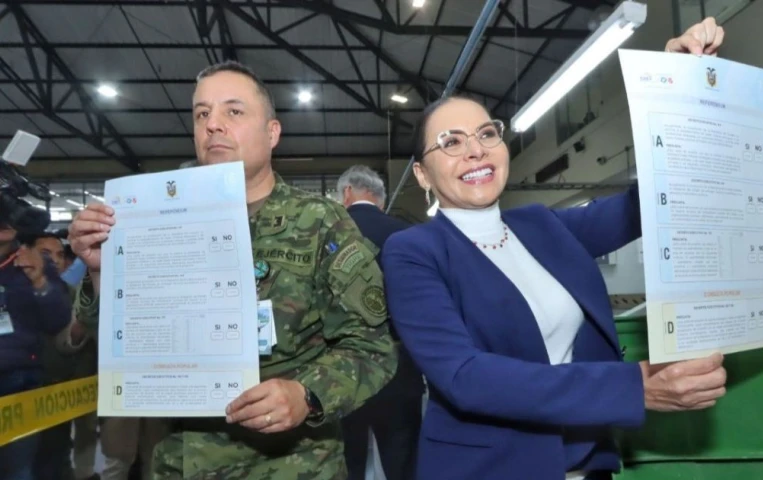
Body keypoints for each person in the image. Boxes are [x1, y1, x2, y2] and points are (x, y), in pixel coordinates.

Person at [381, 18, 727, 480]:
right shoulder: (414, 251)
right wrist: (632, 390)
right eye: (451, 143)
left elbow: (643, 208)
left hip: (587, 463)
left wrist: (674, 92)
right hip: (488, 468)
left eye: (487, 134)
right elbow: (466, 376)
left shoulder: (541, 225)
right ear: (422, 175)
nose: (476, 151)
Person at [67, 60, 398, 479]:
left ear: (272, 133)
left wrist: (307, 394)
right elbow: (115, 342)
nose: (213, 125)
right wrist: (101, 272)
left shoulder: (320, 222)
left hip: (289, 465)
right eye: (202, 113)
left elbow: (373, 348)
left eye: (233, 112)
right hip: (179, 463)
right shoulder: (158, 219)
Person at [336, 166, 425, 480]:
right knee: (402, 462)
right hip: (401, 367)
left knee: (348, 462)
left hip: (343, 370)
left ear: (346, 192)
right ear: (380, 200)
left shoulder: (329, 234)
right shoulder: (408, 234)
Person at [0, 225, 75, 480]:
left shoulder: (34, 262)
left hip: (19, 383)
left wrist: (40, 280)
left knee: (18, 470)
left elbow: (58, 321)